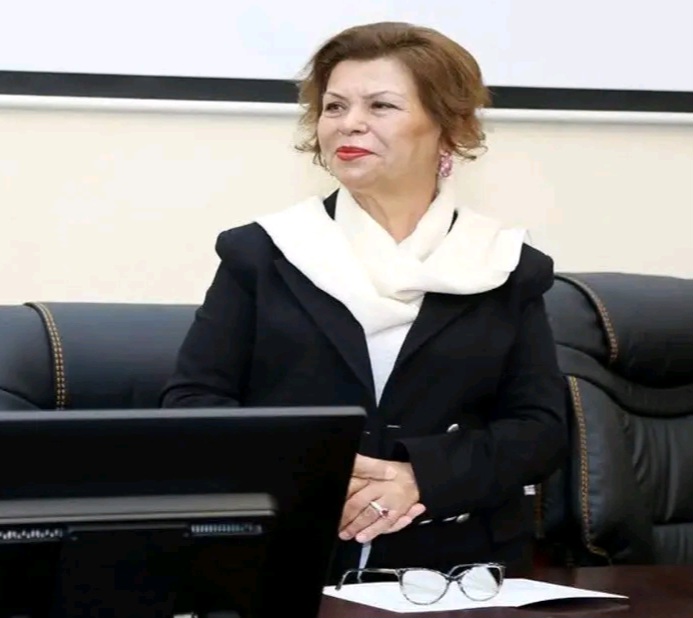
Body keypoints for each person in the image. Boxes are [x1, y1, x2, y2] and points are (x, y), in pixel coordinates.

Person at [160, 21, 567, 583]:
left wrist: (420, 479)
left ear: (447, 128)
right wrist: (316, 472)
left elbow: (539, 429)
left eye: (381, 105)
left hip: (461, 566)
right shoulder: (266, 252)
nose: (349, 123)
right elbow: (193, 403)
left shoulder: (501, 263)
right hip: (286, 557)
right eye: (334, 106)